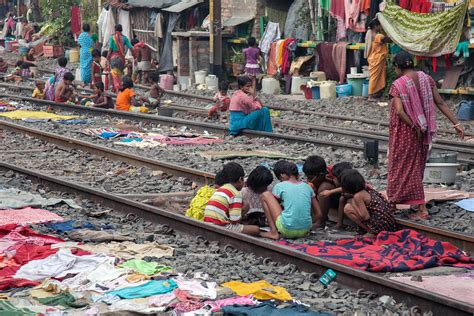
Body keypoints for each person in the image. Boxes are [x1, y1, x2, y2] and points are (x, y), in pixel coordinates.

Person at [387, 51, 464, 219]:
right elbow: (441, 102)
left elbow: (399, 112)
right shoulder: (426, 79)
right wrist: (456, 123)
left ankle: (417, 208)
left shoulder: (398, 85)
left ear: (398, 68)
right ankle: (401, 204)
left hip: (405, 132)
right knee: (416, 167)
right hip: (423, 132)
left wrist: (413, 125)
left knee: (398, 167)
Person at [258, 161, 321, 240]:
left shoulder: (280, 186)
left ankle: (273, 232)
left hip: (287, 229)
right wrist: (305, 223)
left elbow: (273, 207)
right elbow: (318, 213)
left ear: (282, 175)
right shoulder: (308, 186)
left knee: (265, 195)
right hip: (305, 230)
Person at [204, 163, 261, 236]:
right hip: (221, 226)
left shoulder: (222, 188)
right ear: (241, 179)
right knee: (256, 229)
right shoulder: (236, 193)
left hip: (207, 223)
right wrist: (243, 213)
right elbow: (234, 221)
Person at [340, 169, 396, 236]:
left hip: (380, 227)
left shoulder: (358, 196)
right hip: (390, 223)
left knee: (347, 208)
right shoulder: (366, 188)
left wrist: (353, 203)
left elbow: (365, 217)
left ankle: (370, 232)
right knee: (350, 204)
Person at [303, 155, 337, 228]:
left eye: (310, 178)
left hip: (340, 200)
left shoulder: (335, 173)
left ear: (321, 175)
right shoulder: (316, 177)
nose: (308, 180)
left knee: (324, 188)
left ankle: (320, 222)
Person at [319, 162, 354, 229]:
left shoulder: (351, 182)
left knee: (342, 199)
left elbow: (344, 188)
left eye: (334, 178)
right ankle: (339, 223)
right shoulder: (345, 176)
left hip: (354, 203)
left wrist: (330, 192)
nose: (333, 179)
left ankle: (339, 223)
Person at [367, 19, 391, 101]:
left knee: (377, 76)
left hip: (374, 58)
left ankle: (376, 94)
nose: (380, 27)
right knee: (374, 77)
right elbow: (388, 40)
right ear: (376, 26)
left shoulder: (371, 34)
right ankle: (370, 96)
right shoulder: (379, 36)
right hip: (377, 58)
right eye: (379, 25)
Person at [107, 24, 133, 92]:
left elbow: (110, 50)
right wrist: (135, 57)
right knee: (119, 74)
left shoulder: (112, 37)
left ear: (115, 30)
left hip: (113, 58)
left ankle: (117, 88)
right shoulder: (125, 38)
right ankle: (119, 88)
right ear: (121, 30)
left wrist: (107, 58)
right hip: (121, 59)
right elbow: (131, 48)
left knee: (114, 74)